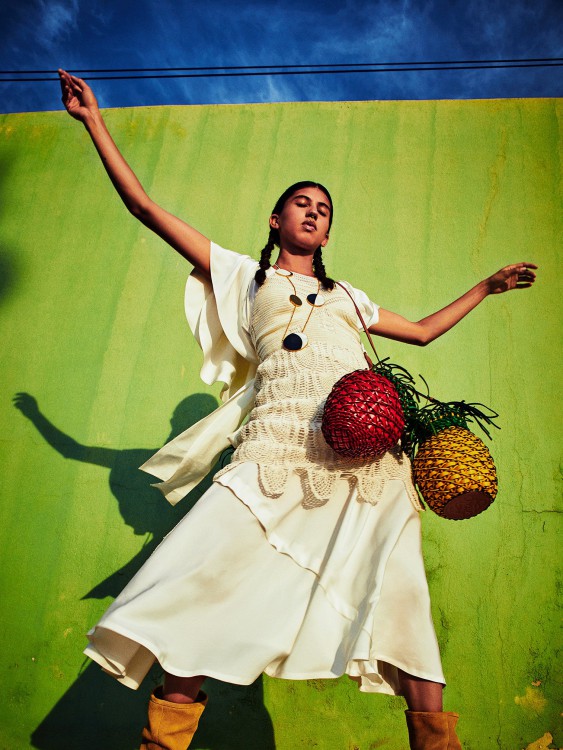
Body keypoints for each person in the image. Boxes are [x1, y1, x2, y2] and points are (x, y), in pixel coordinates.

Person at [58, 69, 536, 750]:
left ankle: (435, 742)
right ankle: (162, 741)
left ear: (327, 232)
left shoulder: (349, 297)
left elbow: (423, 331)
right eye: (301, 204)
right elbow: (143, 208)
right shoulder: (242, 275)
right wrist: (94, 122)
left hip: (367, 460)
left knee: (399, 596)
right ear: (276, 220)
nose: (313, 212)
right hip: (275, 451)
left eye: (324, 209)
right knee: (195, 582)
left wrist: (485, 287)